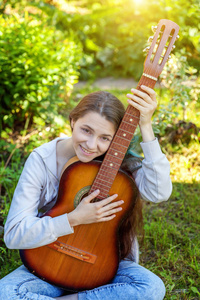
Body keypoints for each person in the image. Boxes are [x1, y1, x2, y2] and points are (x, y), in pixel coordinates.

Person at [0, 85, 172, 300]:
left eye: (105, 138)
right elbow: (14, 235)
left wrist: (146, 125)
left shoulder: (118, 162)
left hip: (104, 266)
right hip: (47, 263)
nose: (91, 145)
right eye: (86, 130)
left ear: (117, 139)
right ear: (73, 121)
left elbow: (159, 193)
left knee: (152, 287)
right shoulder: (42, 160)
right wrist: (74, 218)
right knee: (4, 292)